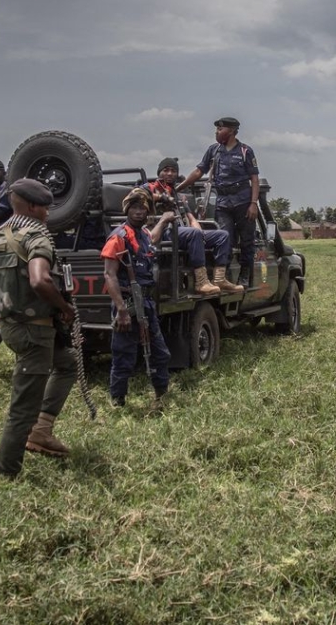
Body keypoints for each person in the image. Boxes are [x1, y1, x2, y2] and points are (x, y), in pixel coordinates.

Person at [0, 178, 78, 477]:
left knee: (68, 363)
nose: (49, 214)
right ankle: (7, 472)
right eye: (46, 208)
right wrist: (65, 308)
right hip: (34, 330)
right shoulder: (36, 234)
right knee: (23, 406)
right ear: (34, 206)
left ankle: (42, 429)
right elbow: (39, 280)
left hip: (11, 325)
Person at [100, 188, 173, 408]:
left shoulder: (143, 235)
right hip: (128, 304)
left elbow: (154, 238)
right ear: (127, 210)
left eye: (143, 208)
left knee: (160, 353)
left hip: (147, 303)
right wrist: (121, 310)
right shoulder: (118, 237)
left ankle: (161, 396)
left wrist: (166, 220)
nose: (139, 212)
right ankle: (118, 401)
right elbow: (109, 274)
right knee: (124, 354)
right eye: (134, 208)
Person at [176, 117, 261, 288]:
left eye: (220, 129)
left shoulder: (245, 151)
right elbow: (199, 171)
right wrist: (179, 188)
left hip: (243, 201)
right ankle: (224, 275)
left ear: (231, 131)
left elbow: (254, 179)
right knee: (225, 239)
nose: (216, 132)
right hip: (223, 202)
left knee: (247, 241)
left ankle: (244, 276)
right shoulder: (214, 150)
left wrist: (253, 203)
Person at [141, 157, 242, 295]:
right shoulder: (150, 187)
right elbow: (136, 196)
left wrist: (200, 232)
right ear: (160, 172)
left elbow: (191, 218)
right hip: (164, 231)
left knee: (222, 235)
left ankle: (219, 279)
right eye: (166, 170)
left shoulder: (176, 194)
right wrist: (161, 198)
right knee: (193, 233)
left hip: (180, 231)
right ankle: (201, 282)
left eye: (173, 171)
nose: (170, 174)